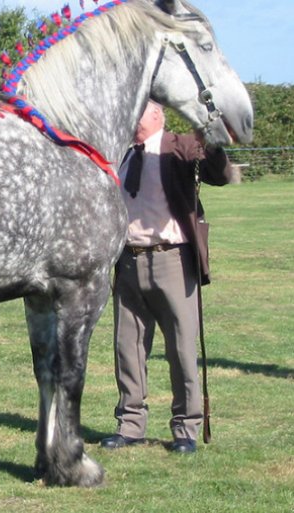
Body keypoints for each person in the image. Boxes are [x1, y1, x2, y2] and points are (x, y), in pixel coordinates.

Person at [101, 100, 233, 454]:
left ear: (157, 115)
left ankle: (186, 429)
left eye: (139, 109)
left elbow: (218, 174)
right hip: (128, 260)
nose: (130, 115)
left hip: (171, 259)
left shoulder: (182, 147)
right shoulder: (124, 153)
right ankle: (130, 425)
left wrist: (212, 138)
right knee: (127, 348)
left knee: (181, 348)